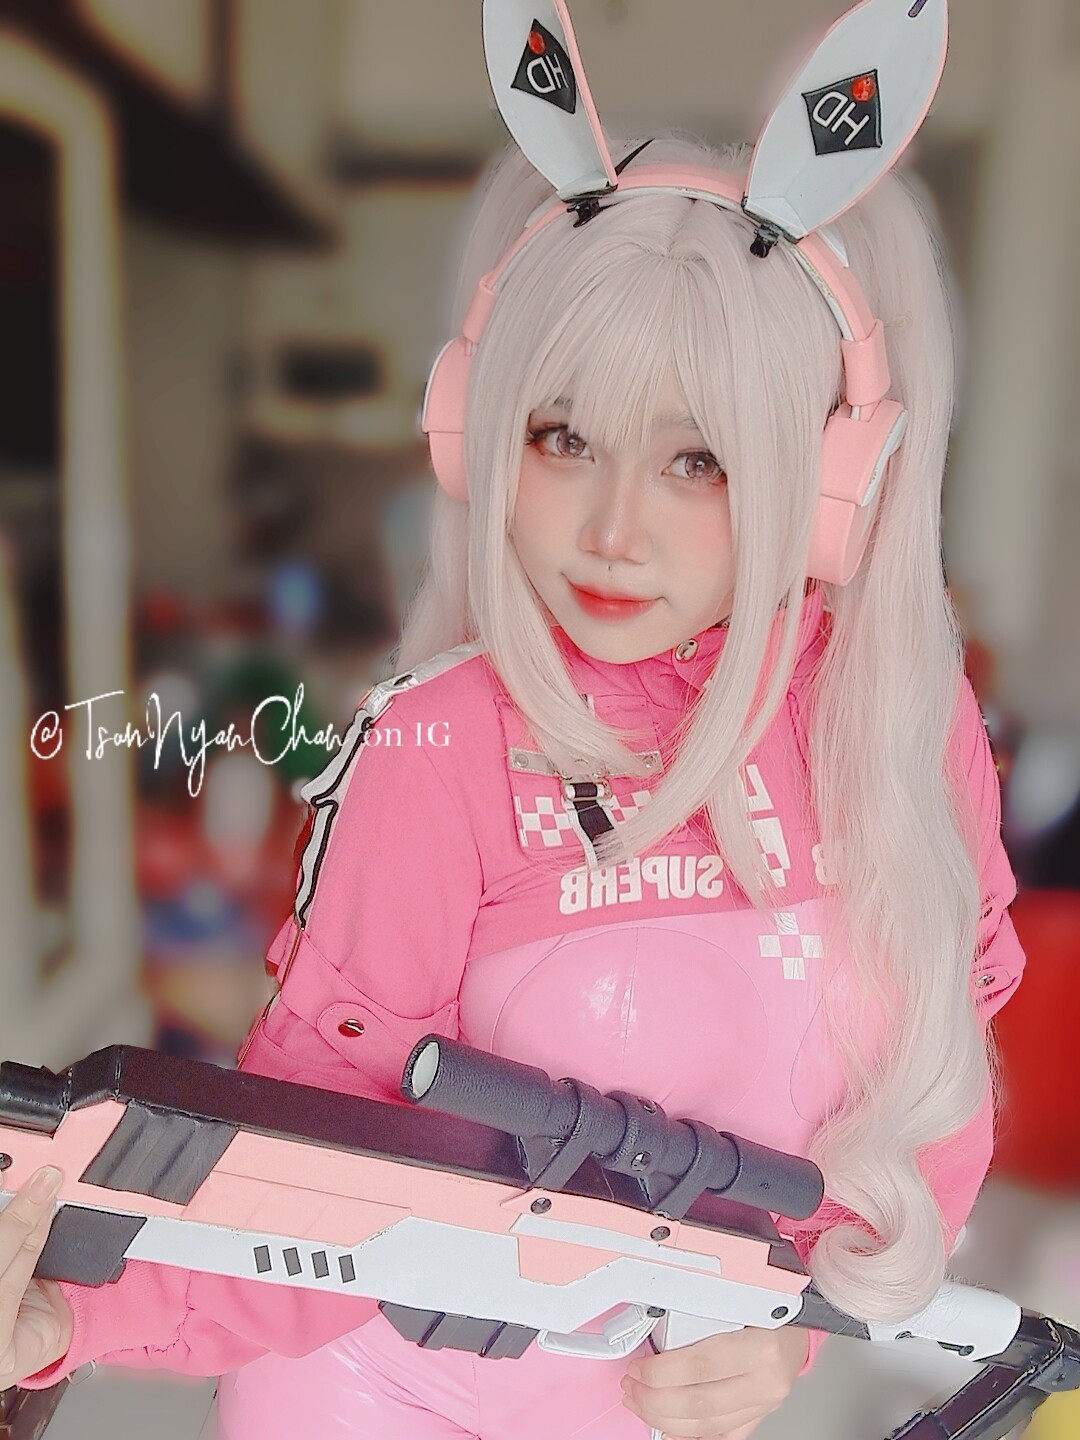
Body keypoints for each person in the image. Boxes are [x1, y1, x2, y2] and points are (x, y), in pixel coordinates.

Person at [0, 4, 1024, 1437]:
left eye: (699, 461)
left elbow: (927, 1093)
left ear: (830, 483)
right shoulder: (442, 755)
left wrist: (789, 1319)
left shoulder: (903, 735)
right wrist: (68, 1318)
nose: (612, 530)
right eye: (563, 437)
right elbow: (309, 1164)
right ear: (475, 430)